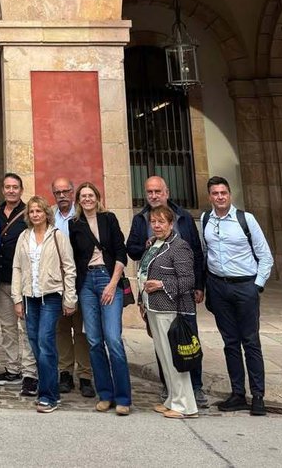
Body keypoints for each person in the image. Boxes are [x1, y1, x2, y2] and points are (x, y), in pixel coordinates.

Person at [126, 175, 207, 407]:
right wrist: (146, 245)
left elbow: (196, 256)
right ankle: (171, 390)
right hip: (154, 300)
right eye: (149, 192)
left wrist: (198, 285)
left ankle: (195, 389)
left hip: (178, 299)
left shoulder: (183, 222)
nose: (153, 195)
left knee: (186, 341)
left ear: (167, 192)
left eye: (157, 191)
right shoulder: (141, 220)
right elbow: (133, 252)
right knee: (163, 346)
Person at [202, 176, 274, 416]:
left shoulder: (246, 219)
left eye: (223, 193)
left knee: (250, 341)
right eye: (215, 193)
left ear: (229, 194)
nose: (219, 197)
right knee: (230, 342)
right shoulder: (205, 220)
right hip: (219, 287)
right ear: (210, 196)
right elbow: (206, 253)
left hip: (245, 287)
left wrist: (257, 286)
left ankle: (258, 396)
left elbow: (265, 256)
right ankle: (237, 393)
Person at [69, 182, 132, 415]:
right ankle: (105, 394)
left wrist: (113, 284)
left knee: (113, 339)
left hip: (109, 278)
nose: (87, 199)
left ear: (97, 197)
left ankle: (123, 397)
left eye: (90, 195)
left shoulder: (109, 219)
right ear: (79, 200)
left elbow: (120, 252)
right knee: (94, 340)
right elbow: (74, 259)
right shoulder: (74, 224)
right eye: (83, 196)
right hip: (86, 284)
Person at [11, 196, 77, 413]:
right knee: (35, 342)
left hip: (51, 296)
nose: (35, 214)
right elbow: (17, 269)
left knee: (45, 341)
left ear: (46, 213)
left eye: (39, 211)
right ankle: (52, 388)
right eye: (31, 212)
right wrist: (17, 299)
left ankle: (47, 395)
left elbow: (69, 268)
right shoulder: (24, 236)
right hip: (30, 297)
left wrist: (70, 299)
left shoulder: (58, 236)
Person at [138, 205, 199, 419]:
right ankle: (172, 398)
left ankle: (186, 405)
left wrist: (161, 285)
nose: (156, 226)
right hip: (154, 307)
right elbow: (143, 272)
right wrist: (142, 301)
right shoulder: (153, 245)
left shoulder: (179, 246)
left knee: (175, 358)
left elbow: (187, 280)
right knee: (164, 357)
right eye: (153, 222)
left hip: (171, 309)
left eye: (161, 222)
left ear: (171, 224)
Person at [0, 173, 39, 397]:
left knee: (27, 328)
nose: (11, 191)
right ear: (3, 190)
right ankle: (12, 369)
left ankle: (30, 373)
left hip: (25, 281)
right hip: (2, 280)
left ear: (21, 190)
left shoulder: (29, 214)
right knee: (8, 327)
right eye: (7, 187)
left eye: (15, 187)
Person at [51, 177, 94, 398]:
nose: (62, 196)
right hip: (55, 282)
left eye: (66, 191)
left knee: (81, 330)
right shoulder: (49, 216)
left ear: (73, 191)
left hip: (81, 279)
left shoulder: (83, 214)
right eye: (57, 192)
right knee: (61, 329)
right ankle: (65, 373)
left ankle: (85, 375)